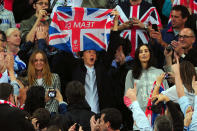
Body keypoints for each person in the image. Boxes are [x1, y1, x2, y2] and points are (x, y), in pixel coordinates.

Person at [51, 11, 121, 113]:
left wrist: (115, 23)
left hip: (101, 113)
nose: (92, 54)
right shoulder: (75, 68)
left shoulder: (102, 67)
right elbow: (65, 52)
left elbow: (112, 46)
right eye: (88, 52)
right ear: (82, 56)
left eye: (94, 52)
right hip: (81, 114)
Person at [125, 44, 169, 112]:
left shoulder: (159, 72)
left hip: (157, 112)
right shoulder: (131, 73)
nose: (143, 54)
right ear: (137, 55)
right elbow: (127, 97)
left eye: (146, 51)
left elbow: (167, 93)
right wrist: (136, 112)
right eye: (141, 52)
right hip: (140, 113)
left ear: (150, 54)